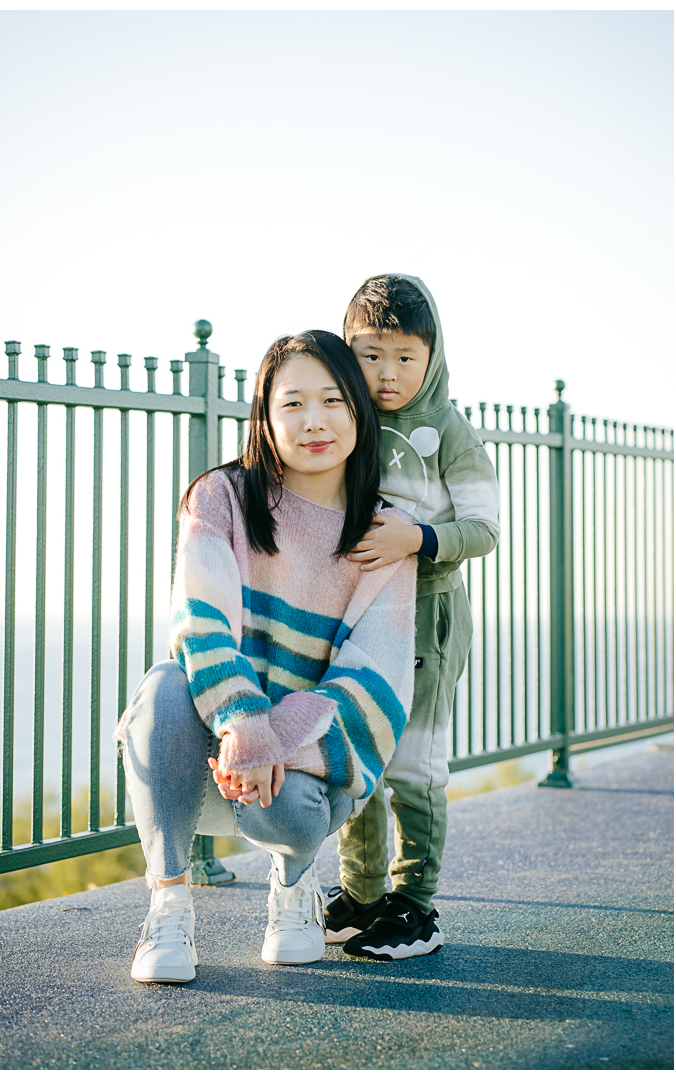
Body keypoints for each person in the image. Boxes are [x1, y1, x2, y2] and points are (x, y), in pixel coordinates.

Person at [117, 329, 417, 982]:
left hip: (301, 773)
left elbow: (379, 677)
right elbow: (201, 622)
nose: (315, 421)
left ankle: (293, 886)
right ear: (265, 415)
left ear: (358, 412)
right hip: (218, 753)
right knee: (166, 685)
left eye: (333, 400)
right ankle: (168, 902)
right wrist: (246, 727)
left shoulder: (383, 532)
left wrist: (276, 743)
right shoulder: (221, 498)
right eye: (293, 404)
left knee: (286, 807)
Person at [322, 274, 500, 960]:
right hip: (354, 617)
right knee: (355, 754)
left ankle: (415, 907)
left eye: (404, 355)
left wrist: (417, 539)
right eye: (369, 354)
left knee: (412, 766)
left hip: (427, 616)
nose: (387, 373)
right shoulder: (342, 418)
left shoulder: (448, 430)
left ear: (432, 355)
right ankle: (361, 896)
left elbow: (484, 530)